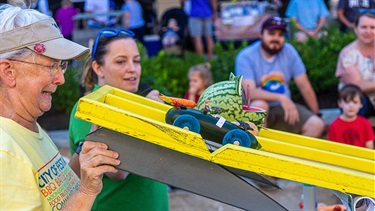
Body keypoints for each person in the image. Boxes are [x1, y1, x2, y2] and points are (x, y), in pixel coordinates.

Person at [0, 4, 121, 210]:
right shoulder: (5, 152)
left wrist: (85, 150)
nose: (60, 79)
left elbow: (56, 192)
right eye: (51, 66)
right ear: (9, 71)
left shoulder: (28, 128)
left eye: (61, 65)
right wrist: (86, 191)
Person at [69, 29, 169, 211]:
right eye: (121, 61)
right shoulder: (89, 106)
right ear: (98, 68)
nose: (132, 68)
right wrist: (145, 115)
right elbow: (117, 171)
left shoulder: (134, 101)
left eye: (136, 61)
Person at [235, 16, 325, 137]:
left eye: (280, 34)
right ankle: (259, 153)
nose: (276, 38)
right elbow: (249, 93)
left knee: (317, 125)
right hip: (256, 107)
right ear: (261, 34)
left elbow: (305, 87)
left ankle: (290, 155)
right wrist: (281, 98)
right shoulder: (245, 56)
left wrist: (317, 114)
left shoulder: (289, 51)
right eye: (272, 33)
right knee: (260, 106)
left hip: (283, 109)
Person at [335, 11, 375, 118]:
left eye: (372, 27)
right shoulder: (348, 54)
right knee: (355, 98)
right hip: (357, 99)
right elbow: (357, 85)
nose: (368, 31)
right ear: (355, 29)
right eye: (364, 27)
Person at [328, 85, 375, 149]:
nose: (351, 106)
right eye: (347, 102)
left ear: (361, 104)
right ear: (340, 104)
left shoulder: (365, 123)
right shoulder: (334, 126)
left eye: (355, 102)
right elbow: (332, 148)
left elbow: (369, 147)